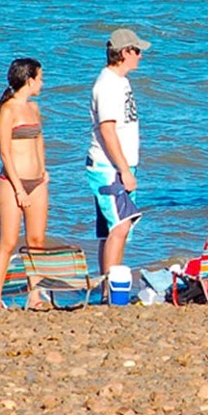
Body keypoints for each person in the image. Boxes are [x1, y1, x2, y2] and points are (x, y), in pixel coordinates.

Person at [87, 28, 149, 276]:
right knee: (121, 226)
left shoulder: (121, 82)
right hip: (109, 168)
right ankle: (112, 289)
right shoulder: (108, 85)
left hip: (118, 166)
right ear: (125, 52)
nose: (141, 56)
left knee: (111, 229)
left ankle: (107, 286)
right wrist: (124, 170)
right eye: (137, 51)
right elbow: (107, 130)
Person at [0, 58, 48, 309]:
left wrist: (44, 171)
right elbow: (5, 153)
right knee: (9, 241)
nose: (42, 83)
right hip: (12, 183)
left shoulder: (34, 109)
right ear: (29, 80)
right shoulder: (9, 109)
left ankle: (34, 296)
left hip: (37, 183)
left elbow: (39, 140)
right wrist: (19, 189)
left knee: (36, 241)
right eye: (41, 78)